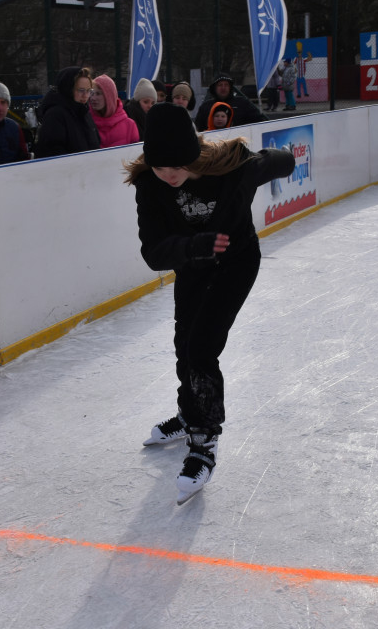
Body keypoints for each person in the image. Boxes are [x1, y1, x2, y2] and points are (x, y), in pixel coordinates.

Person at [123, 103, 294, 503]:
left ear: (193, 154)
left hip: (235, 264)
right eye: (160, 167)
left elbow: (283, 160)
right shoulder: (150, 186)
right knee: (185, 344)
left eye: (177, 166)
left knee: (202, 348)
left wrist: (264, 163)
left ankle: (204, 439)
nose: (169, 176)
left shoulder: (233, 170)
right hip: (194, 265)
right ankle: (189, 413)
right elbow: (153, 253)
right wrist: (193, 246)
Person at [33, 67, 101, 159]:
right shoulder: (55, 115)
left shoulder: (84, 112)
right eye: (81, 90)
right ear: (68, 89)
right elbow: (52, 152)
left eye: (89, 91)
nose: (85, 95)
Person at [194, 74, 267, 131]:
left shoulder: (242, 103)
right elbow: (198, 128)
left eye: (226, 85)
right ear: (214, 88)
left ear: (230, 87)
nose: (223, 88)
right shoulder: (206, 106)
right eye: (220, 85)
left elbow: (260, 120)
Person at [89, 74, 140, 149]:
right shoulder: (86, 123)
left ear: (109, 96)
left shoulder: (129, 125)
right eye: (91, 93)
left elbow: (135, 157)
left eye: (98, 93)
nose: (93, 98)